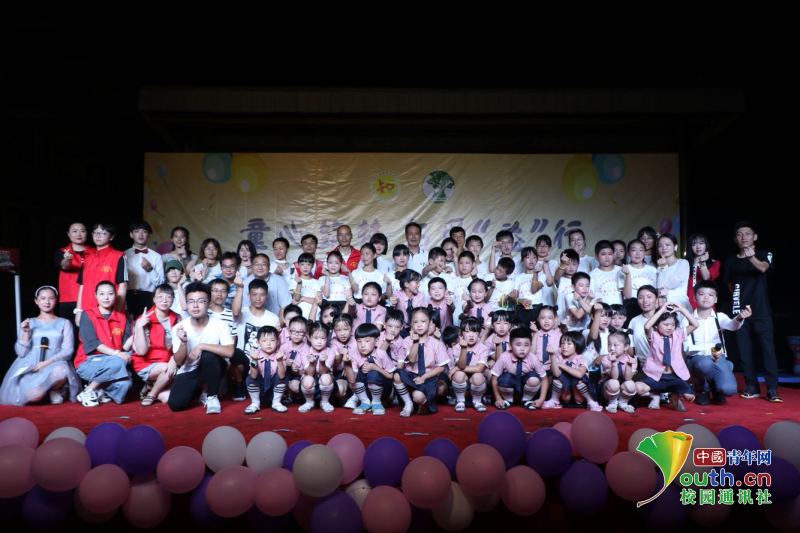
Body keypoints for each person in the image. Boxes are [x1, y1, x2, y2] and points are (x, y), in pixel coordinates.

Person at [723, 221, 781, 402]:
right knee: (744, 351)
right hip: (740, 312)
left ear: (755, 237)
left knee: (767, 351)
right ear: (735, 239)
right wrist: (737, 304)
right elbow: (729, 285)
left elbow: (763, 268)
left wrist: (751, 257)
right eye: (739, 234)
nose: (743, 237)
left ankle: (772, 389)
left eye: (747, 233)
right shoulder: (731, 261)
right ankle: (751, 386)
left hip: (761, 311)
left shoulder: (764, 254)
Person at [0, 286, 80, 405]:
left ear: (56, 300)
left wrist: (46, 363)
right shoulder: (29, 323)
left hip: (54, 362)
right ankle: (47, 392)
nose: (47, 302)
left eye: (51, 298)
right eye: (43, 298)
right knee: (34, 396)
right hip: (32, 364)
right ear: (36, 301)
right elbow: (21, 353)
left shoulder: (64, 323)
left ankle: (55, 389)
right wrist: (26, 333)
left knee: (62, 370)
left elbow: (68, 351)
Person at [168, 282, 235, 414]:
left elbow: (230, 351)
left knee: (207, 355)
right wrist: (183, 342)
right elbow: (179, 361)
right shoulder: (178, 328)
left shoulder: (220, 325)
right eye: (191, 301)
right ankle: (201, 390)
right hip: (190, 369)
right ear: (186, 304)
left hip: (214, 367)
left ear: (208, 303)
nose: (195, 305)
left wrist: (201, 346)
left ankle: (212, 396)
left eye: (201, 301)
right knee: (176, 404)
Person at [687, 280, 750, 405]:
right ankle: (702, 390)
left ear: (715, 299)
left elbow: (732, 325)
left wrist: (739, 317)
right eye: (702, 294)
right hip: (696, 359)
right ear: (694, 298)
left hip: (717, 358)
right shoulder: (687, 318)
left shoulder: (719, 316)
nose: (706, 297)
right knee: (704, 364)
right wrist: (708, 352)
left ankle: (717, 389)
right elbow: (685, 346)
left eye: (710, 295)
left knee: (729, 389)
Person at [74, 281, 133, 407]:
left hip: (112, 361)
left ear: (115, 296)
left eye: (110, 294)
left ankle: (100, 390)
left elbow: (125, 347)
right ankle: (88, 390)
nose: (106, 297)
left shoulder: (122, 317)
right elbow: (93, 344)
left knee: (126, 384)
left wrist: (137, 331)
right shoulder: (87, 315)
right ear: (96, 296)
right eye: (102, 294)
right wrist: (117, 354)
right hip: (88, 362)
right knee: (119, 362)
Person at [641, 302, 699, 412]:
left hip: (674, 376)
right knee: (639, 388)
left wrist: (682, 309)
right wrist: (661, 310)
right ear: (657, 325)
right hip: (657, 375)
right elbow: (647, 326)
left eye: (672, 325)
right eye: (666, 324)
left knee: (690, 397)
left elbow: (695, 324)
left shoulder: (678, 334)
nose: (670, 327)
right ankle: (655, 395)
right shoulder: (653, 335)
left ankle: (674, 396)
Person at [392, 307, 448, 416]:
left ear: (430, 323)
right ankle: (408, 403)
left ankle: (424, 402)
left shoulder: (436, 343)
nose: (419, 325)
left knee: (418, 397)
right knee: (397, 375)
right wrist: (415, 342)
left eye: (423, 321)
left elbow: (441, 367)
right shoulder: (407, 341)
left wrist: (423, 377)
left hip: (428, 377)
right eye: (415, 322)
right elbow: (412, 359)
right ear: (411, 325)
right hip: (411, 376)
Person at [131, 284, 180, 406]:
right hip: (146, 364)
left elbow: (179, 345)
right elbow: (141, 351)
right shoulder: (145, 318)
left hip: (168, 362)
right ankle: (151, 394)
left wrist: (173, 360)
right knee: (168, 369)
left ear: (173, 300)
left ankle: (150, 386)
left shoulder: (177, 318)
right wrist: (139, 327)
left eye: (168, 297)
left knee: (168, 398)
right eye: (160, 297)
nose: (164, 300)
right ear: (154, 299)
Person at [75, 223, 127, 321]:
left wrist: (116, 313)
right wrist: (78, 311)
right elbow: (82, 285)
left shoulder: (118, 256)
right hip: (87, 310)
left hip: (108, 310)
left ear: (111, 237)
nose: (98, 236)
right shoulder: (87, 256)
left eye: (103, 233)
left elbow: (123, 285)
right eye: (95, 233)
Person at [346, 323, 397, 415]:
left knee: (373, 372)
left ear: (376, 341)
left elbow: (391, 376)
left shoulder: (381, 353)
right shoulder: (355, 355)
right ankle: (365, 402)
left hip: (383, 390)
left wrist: (375, 368)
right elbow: (353, 381)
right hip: (365, 392)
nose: (362, 345)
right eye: (359, 341)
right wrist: (347, 363)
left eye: (367, 341)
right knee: (361, 369)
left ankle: (377, 403)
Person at [490, 327, 545, 410]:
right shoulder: (504, 357)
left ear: (531, 345)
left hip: (526, 389)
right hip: (509, 388)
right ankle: (508, 400)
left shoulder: (533, 358)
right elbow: (494, 378)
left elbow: (544, 379)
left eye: (526, 345)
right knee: (504, 379)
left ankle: (527, 400)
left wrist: (541, 399)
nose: (522, 349)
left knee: (534, 379)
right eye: (518, 345)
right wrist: (498, 398)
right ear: (510, 345)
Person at [244, 326, 288, 414]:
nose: (268, 344)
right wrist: (254, 360)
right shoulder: (255, 354)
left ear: (277, 342)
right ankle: (255, 403)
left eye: (272, 340)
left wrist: (279, 361)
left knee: (284, 377)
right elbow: (253, 376)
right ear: (258, 342)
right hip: (259, 390)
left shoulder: (280, 354)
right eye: (264, 341)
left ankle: (276, 403)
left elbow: (282, 376)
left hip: (274, 391)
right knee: (250, 378)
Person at [125, 221, 165, 317]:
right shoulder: (124, 255)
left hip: (149, 297)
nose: (140, 234)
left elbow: (160, 283)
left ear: (149, 235)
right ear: (131, 235)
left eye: (144, 231)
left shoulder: (156, 256)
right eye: (137, 231)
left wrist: (150, 269)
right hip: (128, 296)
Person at [56, 222, 90, 321]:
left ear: (87, 233)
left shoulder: (94, 252)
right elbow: (64, 266)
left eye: (82, 231)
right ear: (68, 234)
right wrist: (67, 259)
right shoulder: (62, 251)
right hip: (68, 299)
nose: (79, 234)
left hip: (90, 297)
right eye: (75, 231)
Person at [655, 233, 691, 310]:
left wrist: (663, 267)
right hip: (663, 306)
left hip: (679, 304)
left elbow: (673, 283)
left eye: (667, 245)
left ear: (675, 247)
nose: (664, 248)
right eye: (660, 246)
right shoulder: (659, 267)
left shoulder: (683, 263)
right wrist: (662, 267)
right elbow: (659, 287)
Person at [686, 233, 721, 309]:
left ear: (706, 246)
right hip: (687, 301)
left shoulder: (714, 263)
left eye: (701, 243)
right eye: (694, 244)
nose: (698, 247)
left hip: (705, 300)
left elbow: (706, 278)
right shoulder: (685, 263)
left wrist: (702, 262)